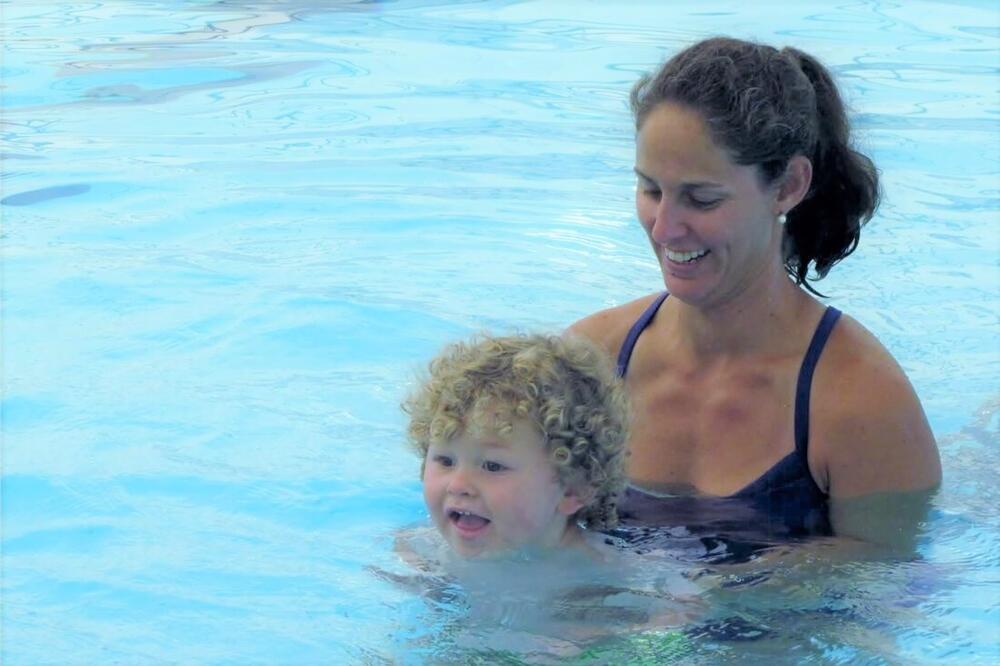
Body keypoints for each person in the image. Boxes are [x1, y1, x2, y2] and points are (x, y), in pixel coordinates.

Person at [569, 37, 941, 551]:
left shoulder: (861, 404)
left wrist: (701, 595)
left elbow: (889, 587)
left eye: (701, 198)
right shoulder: (591, 361)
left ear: (788, 186)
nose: (664, 228)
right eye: (651, 190)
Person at [402, 333, 630, 559]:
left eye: (492, 466)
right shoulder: (420, 553)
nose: (458, 485)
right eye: (445, 461)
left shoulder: (598, 580)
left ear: (573, 490)